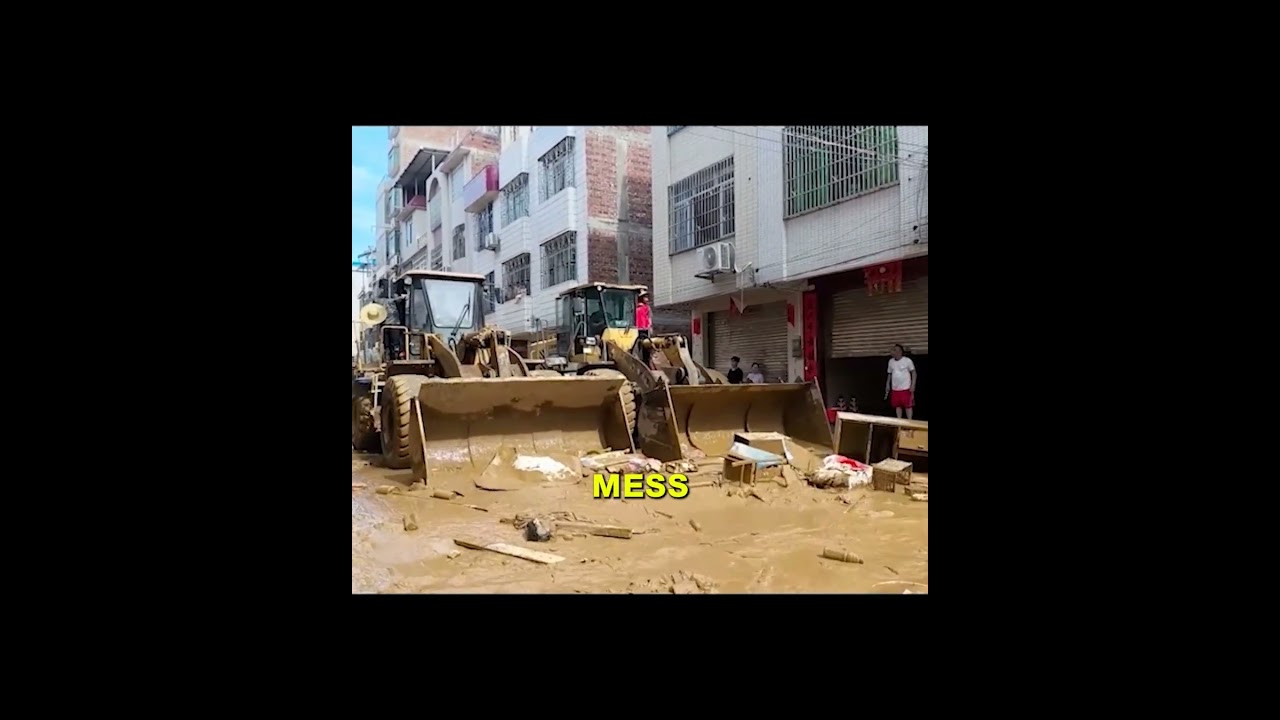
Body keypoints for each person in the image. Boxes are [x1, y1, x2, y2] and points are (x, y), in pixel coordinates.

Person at [884, 343, 916, 419]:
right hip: (895, 388)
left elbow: (914, 372)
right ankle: (899, 424)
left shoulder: (907, 361)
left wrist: (913, 385)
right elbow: (889, 374)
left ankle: (909, 423)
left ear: (900, 352)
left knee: (908, 406)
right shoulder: (891, 362)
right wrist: (887, 384)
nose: (893, 352)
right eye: (893, 350)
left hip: (906, 388)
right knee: (897, 406)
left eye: (895, 350)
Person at [636, 291, 652, 368]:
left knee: (646, 346)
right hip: (638, 329)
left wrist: (649, 326)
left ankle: (646, 362)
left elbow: (649, 318)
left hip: (645, 329)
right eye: (645, 297)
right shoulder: (637, 308)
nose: (647, 299)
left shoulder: (647, 308)